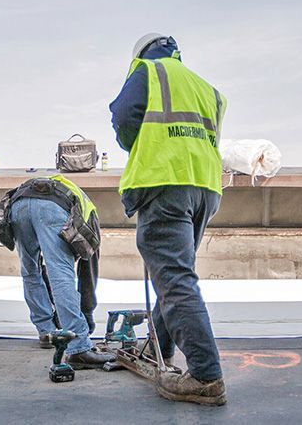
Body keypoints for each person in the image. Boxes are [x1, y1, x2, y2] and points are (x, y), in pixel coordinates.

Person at [109, 33, 228, 405]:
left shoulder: (148, 71)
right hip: (205, 187)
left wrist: (140, 147)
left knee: (175, 279)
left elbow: (124, 117)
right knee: (176, 274)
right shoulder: (208, 89)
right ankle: (158, 349)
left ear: (140, 54)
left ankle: (206, 376)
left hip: (165, 183)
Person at [0, 175, 115, 368]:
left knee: (30, 271)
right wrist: (87, 313)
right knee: (60, 273)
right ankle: (78, 348)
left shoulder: (77, 205)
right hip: (51, 205)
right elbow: (88, 271)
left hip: (18, 203)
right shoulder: (88, 220)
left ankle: (46, 331)